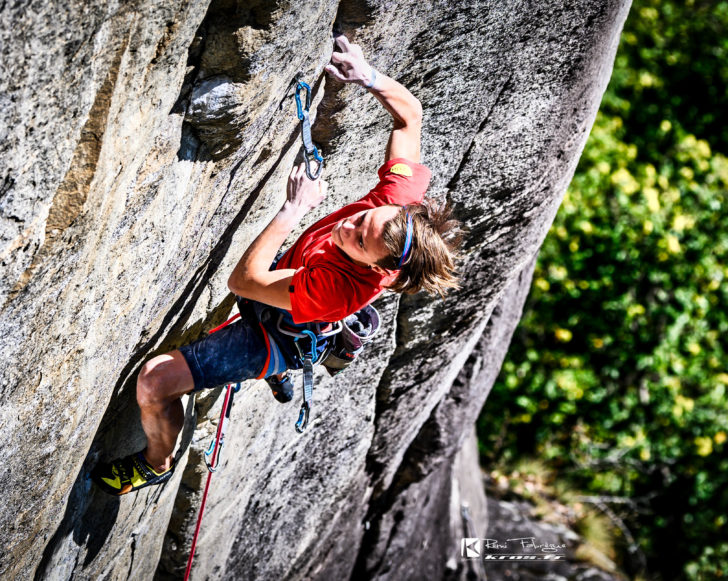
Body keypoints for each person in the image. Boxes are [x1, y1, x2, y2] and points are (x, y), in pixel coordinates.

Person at [93, 34, 461, 496]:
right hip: (291, 291)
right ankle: (276, 370)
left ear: (377, 267)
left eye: (358, 240)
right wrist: (367, 76)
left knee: (154, 383)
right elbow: (410, 117)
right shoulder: (398, 206)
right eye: (363, 217)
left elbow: (245, 281)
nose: (349, 225)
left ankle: (157, 463)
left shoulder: (340, 290)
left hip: (273, 334)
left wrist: (293, 209)